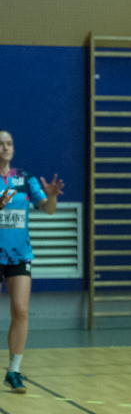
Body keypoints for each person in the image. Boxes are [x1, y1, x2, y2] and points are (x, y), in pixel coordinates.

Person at [0, 131, 63, 395]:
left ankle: (13, 371)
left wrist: (51, 196)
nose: (5, 147)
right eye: (0, 144)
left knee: (21, 310)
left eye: (9, 144)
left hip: (19, 254)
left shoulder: (24, 178)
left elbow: (48, 209)